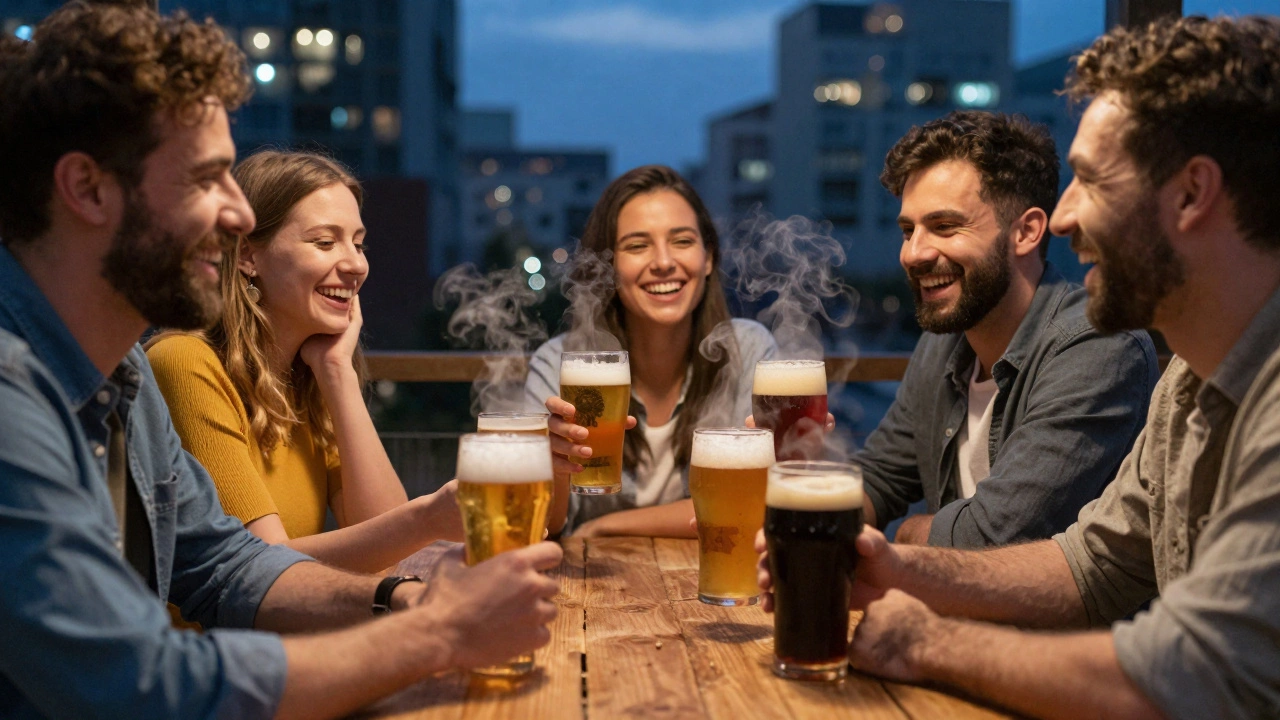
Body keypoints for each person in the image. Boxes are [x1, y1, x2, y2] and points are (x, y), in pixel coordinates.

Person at [0, 5, 559, 719]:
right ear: (88, 188)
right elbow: (137, 682)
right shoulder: (12, 391)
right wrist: (439, 631)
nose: (237, 216)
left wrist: (398, 596)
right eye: (208, 179)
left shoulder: (121, 378)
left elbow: (225, 565)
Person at [756, 15, 1280, 719]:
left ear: (1190, 194)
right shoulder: (1188, 382)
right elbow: (1090, 565)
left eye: (1090, 180)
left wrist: (927, 642)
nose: (1064, 216)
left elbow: (1195, 672)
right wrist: (900, 567)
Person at [854, 110, 1159, 547]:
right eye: (908, 230)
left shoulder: (1099, 345)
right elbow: (879, 478)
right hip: (959, 611)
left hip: (1072, 618)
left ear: (1027, 232)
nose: (914, 254)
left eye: (943, 226)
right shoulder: (940, 345)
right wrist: (801, 483)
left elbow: (996, 535)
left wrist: (904, 532)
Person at [147, 150, 461, 574]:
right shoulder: (184, 362)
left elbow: (389, 545)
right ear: (246, 256)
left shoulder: (308, 380)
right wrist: (427, 518)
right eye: (325, 242)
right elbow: (258, 567)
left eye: (359, 243)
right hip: (211, 641)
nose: (355, 265)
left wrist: (338, 375)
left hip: (293, 634)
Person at [526, 165, 777, 537]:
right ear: (608, 267)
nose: (662, 262)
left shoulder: (748, 349)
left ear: (708, 257)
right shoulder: (559, 363)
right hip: (587, 587)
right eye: (637, 245)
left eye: (682, 241)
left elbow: (753, 502)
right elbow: (543, 524)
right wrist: (554, 466)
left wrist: (605, 527)